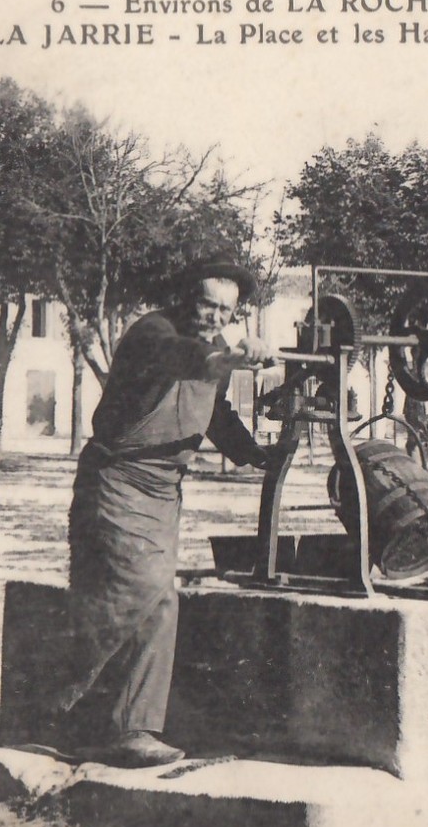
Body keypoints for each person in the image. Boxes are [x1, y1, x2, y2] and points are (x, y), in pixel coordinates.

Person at [46, 262, 276, 768]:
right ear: (184, 299)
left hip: (162, 493)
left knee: (159, 601)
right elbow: (186, 359)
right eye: (206, 305)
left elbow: (214, 411)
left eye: (225, 311)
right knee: (139, 590)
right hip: (117, 482)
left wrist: (255, 454)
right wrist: (230, 355)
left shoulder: (211, 350)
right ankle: (58, 705)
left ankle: (130, 727)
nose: (213, 317)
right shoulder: (154, 334)